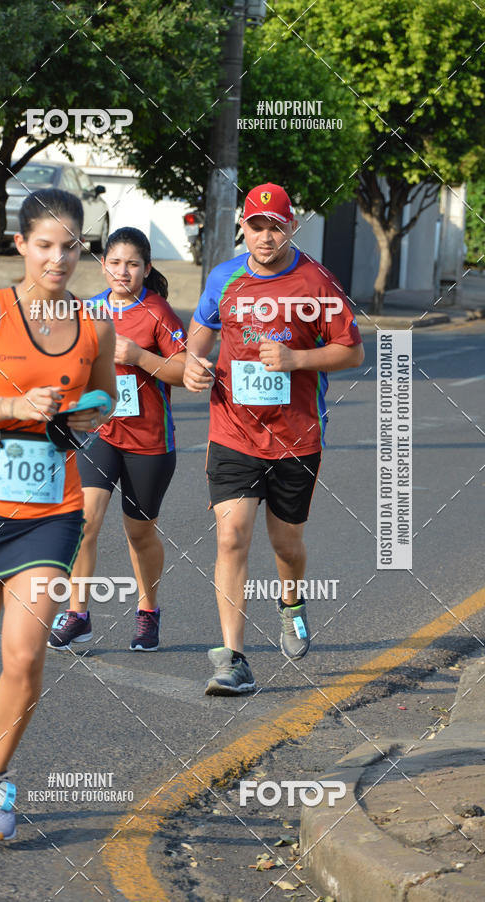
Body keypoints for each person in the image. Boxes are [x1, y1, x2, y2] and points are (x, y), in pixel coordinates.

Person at [0, 188, 116, 839]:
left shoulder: (94, 324)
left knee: (26, 654)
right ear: (21, 245)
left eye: (70, 246)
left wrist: (87, 416)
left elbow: (108, 400)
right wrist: (14, 408)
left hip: (51, 511)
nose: (58, 258)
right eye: (45, 245)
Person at [183, 182, 364, 695]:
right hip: (233, 430)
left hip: (296, 437)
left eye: (275, 226)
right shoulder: (224, 277)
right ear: (243, 226)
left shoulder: (316, 281)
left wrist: (296, 359)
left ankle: (291, 603)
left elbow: (351, 352)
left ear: (292, 226)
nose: (265, 236)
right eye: (256, 226)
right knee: (230, 535)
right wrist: (194, 361)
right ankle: (232, 659)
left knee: (287, 543)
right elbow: (201, 329)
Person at [47, 227, 187, 653]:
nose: (122, 271)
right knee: (83, 523)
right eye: (115, 262)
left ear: (145, 268)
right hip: (99, 433)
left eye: (132, 264)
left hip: (148, 441)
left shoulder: (159, 312)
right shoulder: (87, 310)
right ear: (103, 264)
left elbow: (184, 373)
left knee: (139, 534)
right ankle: (78, 615)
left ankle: (148, 612)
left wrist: (138, 357)